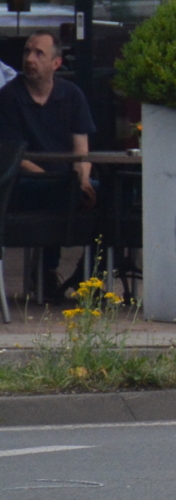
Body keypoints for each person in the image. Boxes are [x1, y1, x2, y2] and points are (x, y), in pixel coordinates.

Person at [0, 30, 94, 302]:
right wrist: (58, 181)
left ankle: (87, 273)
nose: (30, 59)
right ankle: (47, 269)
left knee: (108, 195)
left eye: (39, 53)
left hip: (65, 182)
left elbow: (81, 150)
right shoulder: (9, 97)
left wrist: (82, 179)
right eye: (27, 52)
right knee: (61, 194)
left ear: (56, 63)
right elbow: (15, 155)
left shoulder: (72, 95)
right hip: (24, 184)